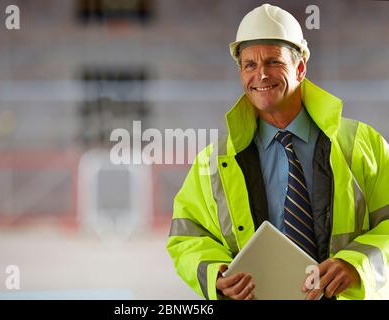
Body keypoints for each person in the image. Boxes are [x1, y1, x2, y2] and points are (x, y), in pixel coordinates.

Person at [166, 3, 389, 300]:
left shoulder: (361, 144)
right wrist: (215, 274)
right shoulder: (215, 160)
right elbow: (187, 235)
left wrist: (356, 265)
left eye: (273, 62)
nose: (261, 75)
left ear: (299, 68)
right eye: (249, 65)